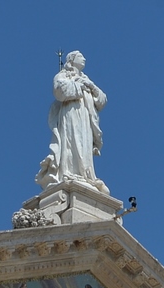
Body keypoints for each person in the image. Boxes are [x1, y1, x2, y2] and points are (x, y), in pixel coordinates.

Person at [45, 51, 109, 191]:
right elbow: (60, 91)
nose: (84, 58)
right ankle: (70, 172)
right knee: (72, 141)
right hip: (70, 112)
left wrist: (91, 86)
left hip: (85, 116)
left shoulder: (87, 79)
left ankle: (86, 175)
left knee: (84, 143)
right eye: (80, 57)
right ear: (72, 60)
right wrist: (79, 86)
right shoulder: (63, 76)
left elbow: (102, 100)